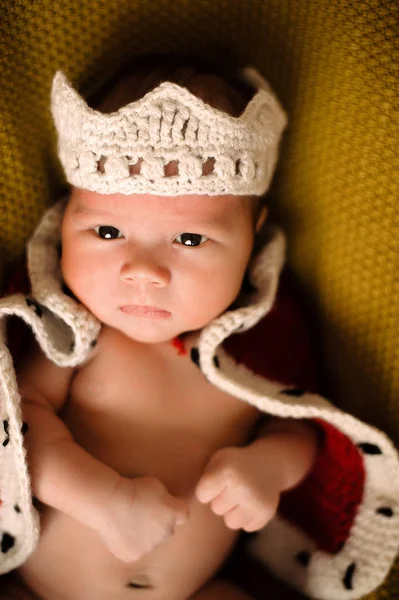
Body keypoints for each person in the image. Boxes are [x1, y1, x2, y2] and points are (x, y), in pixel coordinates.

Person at [0, 56, 398, 600]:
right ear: (66, 216)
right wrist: (101, 499)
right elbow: (19, 430)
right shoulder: (69, 331)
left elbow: (298, 429)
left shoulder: (259, 341)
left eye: (190, 240)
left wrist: (265, 469)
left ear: (254, 238)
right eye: (108, 230)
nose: (142, 271)